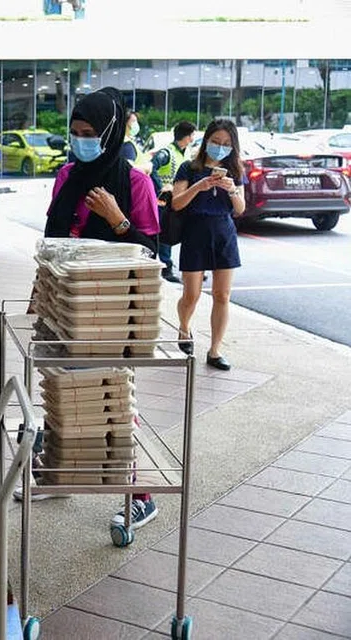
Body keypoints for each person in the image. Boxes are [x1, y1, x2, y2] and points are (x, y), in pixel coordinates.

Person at [39, 87, 162, 531]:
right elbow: (54, 239)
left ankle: (139, 496)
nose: (80, 141)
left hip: (111, 316)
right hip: (66, 307)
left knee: (113, 402)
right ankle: (62, 471)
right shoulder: (67, 176)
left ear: (110, 132)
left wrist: (116, 219)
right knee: (62, 396)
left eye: (89, 133)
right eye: (74, 132)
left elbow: (151, 254)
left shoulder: (136, 184)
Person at [171, 118, 246, 371]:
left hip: (224, 233)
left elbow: (240, 209)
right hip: (195, 232)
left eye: (226, 143)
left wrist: (233, 190)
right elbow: (177, 203)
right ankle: (184, 328)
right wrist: (199, 186)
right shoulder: (189, 167)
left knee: (222, 295)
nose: (220, 147)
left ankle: (215, 350)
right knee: (191, 294)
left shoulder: (235, 171)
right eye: (216, 141)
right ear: (206, 141)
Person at [151, 121, 196, 283]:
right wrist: (161, 186)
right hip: (164, 200)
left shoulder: (186, 152)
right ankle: (165, 267)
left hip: (179, 199)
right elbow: (152, 167)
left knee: (177, 232)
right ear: (187, 136)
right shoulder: (167, 152)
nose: (193, 138)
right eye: (192, 135)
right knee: (166, 234)